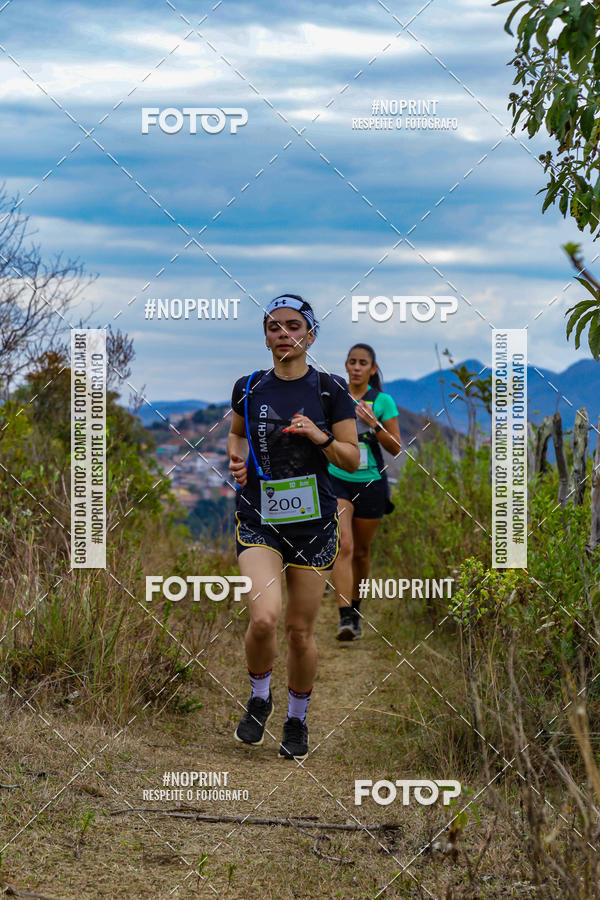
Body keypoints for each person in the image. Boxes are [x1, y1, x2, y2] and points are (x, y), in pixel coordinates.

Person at [227, 294, 359, 760]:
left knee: (299, 632)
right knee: (264, 618)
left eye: (292, 326)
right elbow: (238, 433)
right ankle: (259, 697)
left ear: (310, 334)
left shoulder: (330, 389)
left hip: (313, 523)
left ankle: (297, 720)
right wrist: (237, 462)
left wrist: (318, 436)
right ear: (265, 336)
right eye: (273, 327)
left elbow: (351, 457)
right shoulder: (248, 386)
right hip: (259, 517)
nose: (283, 334)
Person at [328, 343, 402, 641]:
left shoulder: (383, 401)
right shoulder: (335, 397)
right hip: (338, 478)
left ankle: (356, 610)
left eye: (363, 363)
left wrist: (374, 425)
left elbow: (395, 448)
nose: (356, 367)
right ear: (346, 366)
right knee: (344, 545)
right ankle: (345, 617)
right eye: (352, 362)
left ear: (372, 369)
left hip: (371, 481)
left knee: (360, 551)